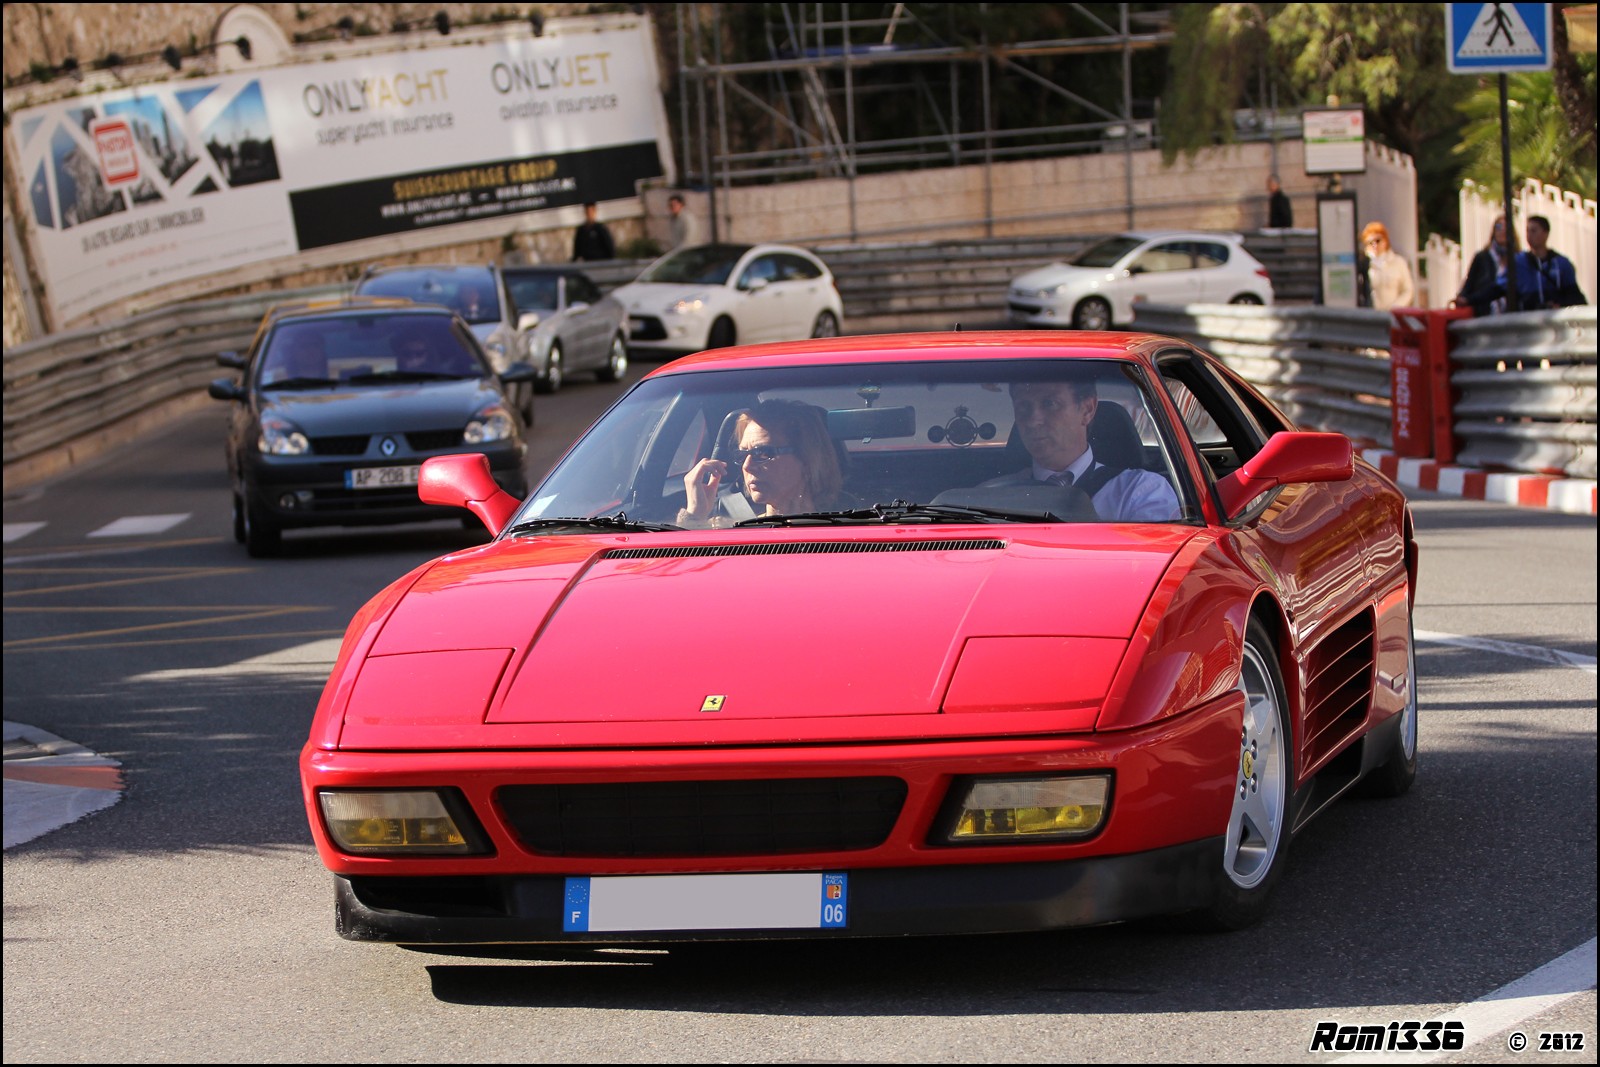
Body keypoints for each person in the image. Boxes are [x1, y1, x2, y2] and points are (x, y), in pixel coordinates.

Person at [983, 378, 1181, 522]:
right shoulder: (992, 496)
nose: (1033, 421)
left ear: (1087, 409)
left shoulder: (1139, 493)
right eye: (1023, 407)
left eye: (1050, 404)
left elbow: (1151, 564)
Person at [678, 400, 847, 527]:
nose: (746, 466)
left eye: (763, 453)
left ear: (807, 459)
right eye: (742, 454)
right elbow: (678, 568)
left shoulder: (855, 531)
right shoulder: (724, 531)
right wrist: (695, 515)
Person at [1514, 215, 1587, 308]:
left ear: (1546, 233)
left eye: (1533, 231)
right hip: (1527, 319)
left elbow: (1574, 295)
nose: (1529, 235)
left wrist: (1559, 305)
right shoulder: (1519, 263)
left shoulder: (1561, 264)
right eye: (1527, 231)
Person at [1452, 216, 1509, 316]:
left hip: (1509, 314)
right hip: (1485, 312)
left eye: (1506, 227)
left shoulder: (1517, 258)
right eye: (1499, 226)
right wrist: (1464, 299)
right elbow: (1469, 283)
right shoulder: (1482, 257)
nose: (1502, 231)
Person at [1361, 221, 1414, 310]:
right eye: (1370, 242)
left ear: (1385, 240)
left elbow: (1408, 290)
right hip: (1372, 316)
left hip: (1394, 315)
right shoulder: (1364, 265)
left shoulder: (1399, 262)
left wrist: (1396, 307)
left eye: (1378, 240)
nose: (1374, 245)